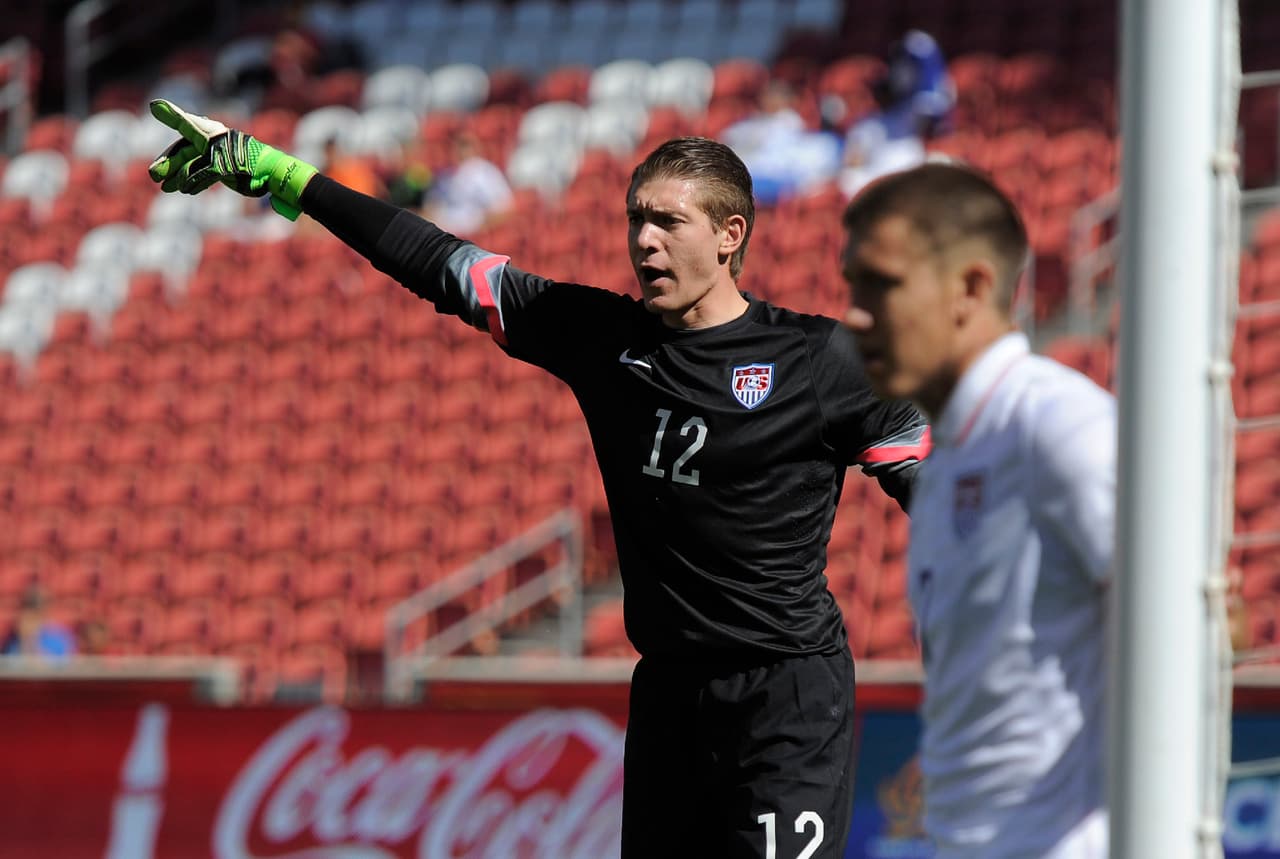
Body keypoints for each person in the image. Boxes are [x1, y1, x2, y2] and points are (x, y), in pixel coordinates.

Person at [146, 99, 930, 858]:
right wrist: (281, 173)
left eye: (668, 221)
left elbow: (927, 460)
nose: (645, 242)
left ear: (730, 235)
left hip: (785, 697)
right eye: (636, 219)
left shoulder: (819, 361)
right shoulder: (604, 336)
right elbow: (436, 262)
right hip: (667, 698)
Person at [840, 162, 1114, 858]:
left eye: (883, 286)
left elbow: (1195, 628)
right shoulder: (946, 459)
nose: (855, 315)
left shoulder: (1057, 425)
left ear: (972, 287)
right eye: (853, 287)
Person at [838, 30, 955, 199]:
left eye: (911, 66)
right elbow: (849, 175)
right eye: (902, 64)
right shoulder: (868, 128)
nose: (903, 72)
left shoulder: (933, 117)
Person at [421, 129, 514, 235]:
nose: (461, 150)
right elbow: (431, 206)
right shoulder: (446, 174)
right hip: (444, 230)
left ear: (476, 148)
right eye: (458, 146)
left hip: (471, 234)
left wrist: (480, 231)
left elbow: (502, 209)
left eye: (465, 146)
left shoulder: (484, 172)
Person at [1, 585, 77, 659]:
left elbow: (62, 667)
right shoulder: (12, 640)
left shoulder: (59, 637)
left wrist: (32, 642)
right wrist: (25, 640)